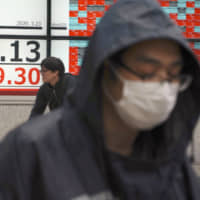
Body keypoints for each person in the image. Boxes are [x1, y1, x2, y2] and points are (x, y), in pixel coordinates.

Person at [1, 0, 200, 199]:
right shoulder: (30, 152)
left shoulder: (172, 163)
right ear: (106, 71)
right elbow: (42, 111)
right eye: (147, 73)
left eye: (174, 75)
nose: (162, 87)